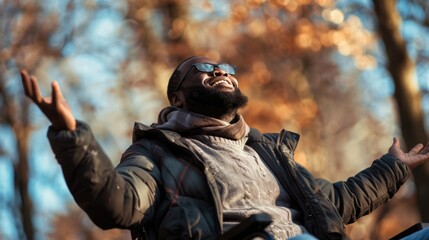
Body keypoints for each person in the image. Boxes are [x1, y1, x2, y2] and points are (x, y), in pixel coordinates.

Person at [20, 56, 429, 240]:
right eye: (200, 69)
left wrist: (393, 166)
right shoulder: (157, 153)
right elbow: (116, 205)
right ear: (177, 99)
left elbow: (334, 202)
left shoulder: (269, 152)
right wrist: (72, 135)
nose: (218, 71)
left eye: (226, 69)